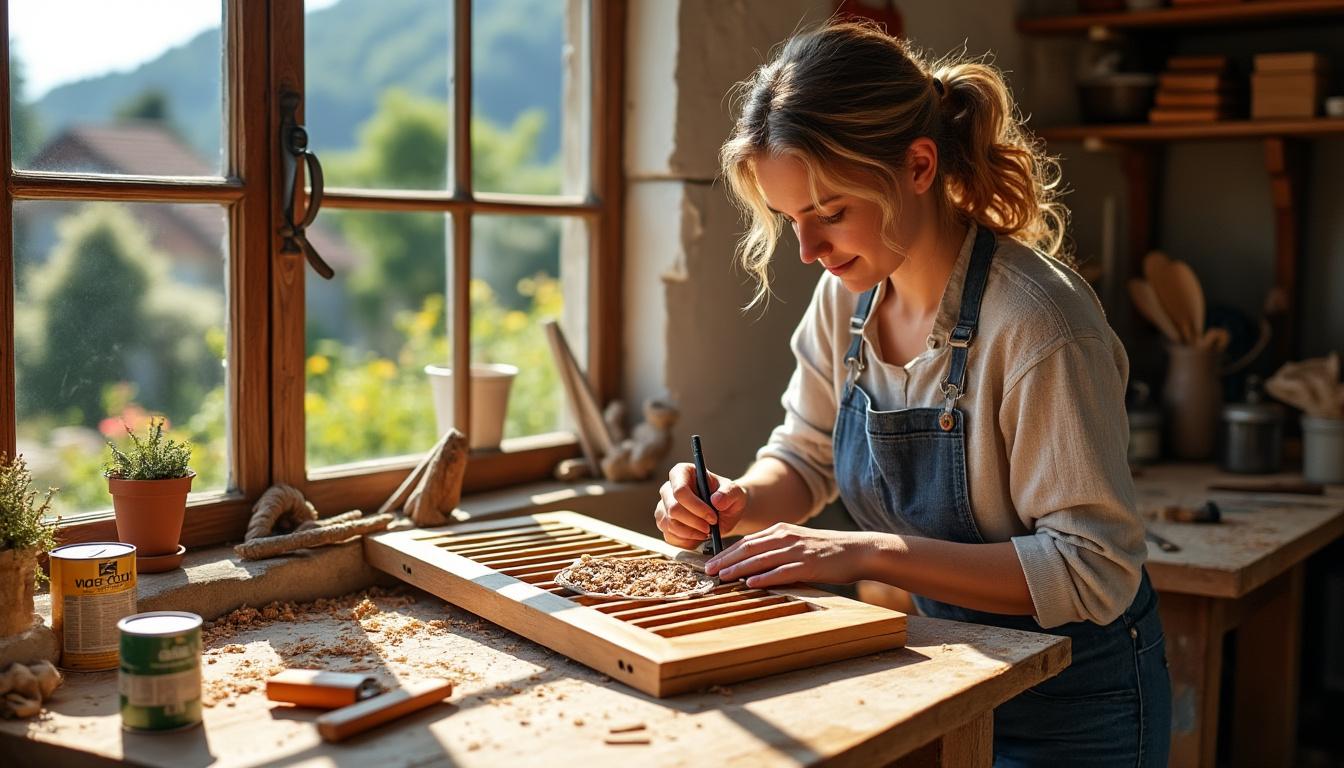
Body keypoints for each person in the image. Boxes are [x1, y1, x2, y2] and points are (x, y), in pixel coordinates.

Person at [653, 21, 1171, 767]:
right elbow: (804, 455)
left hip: (1079, 706)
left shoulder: (1038, 324)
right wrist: (734, 499)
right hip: (951, 671)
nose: (809, 251)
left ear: (919, 165)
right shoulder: (849, 299)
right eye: (791, 218)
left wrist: (864, 552)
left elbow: (1092, 568)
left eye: (830, 213)